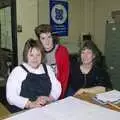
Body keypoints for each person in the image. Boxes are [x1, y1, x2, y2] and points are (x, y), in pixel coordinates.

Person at [6, 39, 61, 113]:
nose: (35, 58)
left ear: (42, 55)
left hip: (44, 110)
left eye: (38, 55)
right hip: (23, 112)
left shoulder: (47, 68)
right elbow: (11, 96)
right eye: (31, 55)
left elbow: (57, 86)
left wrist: (50, 98)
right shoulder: (18, 71)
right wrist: (31, 104)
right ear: (26, 55)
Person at [34, 24, 70, 98]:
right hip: (42, 92)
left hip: (58, 92)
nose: (47, 41)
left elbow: (64, 77)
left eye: (49, 37)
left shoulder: (62, 51)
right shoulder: (37, 52)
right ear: (39, 40)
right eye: (43, 38)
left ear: (53, 37)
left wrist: (59, 96)